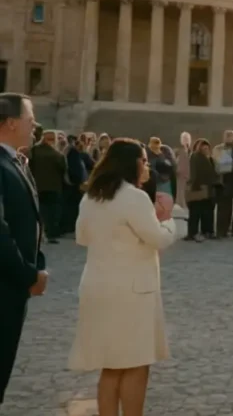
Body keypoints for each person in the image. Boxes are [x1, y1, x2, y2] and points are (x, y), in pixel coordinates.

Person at [68, 139, 177, 416]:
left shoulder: (92, 195)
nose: (147, 166)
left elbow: (82, 236)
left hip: (98, 286)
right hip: (131, 292)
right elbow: (158, 238)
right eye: (144, 160)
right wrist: (168, 218)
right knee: (136, 364)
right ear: (135, 163)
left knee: (112, 365)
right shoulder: (134, 196)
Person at [0, 93, 47, 407]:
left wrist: (37, 264)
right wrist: (28, 273)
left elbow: (28, 220)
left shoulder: (13, 160)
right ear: (12, 123)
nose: (35, 127)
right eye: (30, 120)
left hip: (12, 288)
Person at [185, 139, 219, 242]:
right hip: (199, 187)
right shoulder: (196, 157)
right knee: (195, 212)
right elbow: (194, 172)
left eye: (207, 148)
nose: (206, 149)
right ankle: (193, 233)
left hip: (208, 188)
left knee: (207, 211)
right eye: (203, 147)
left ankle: (207, 231)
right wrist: (194, 185)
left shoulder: (209, 158)